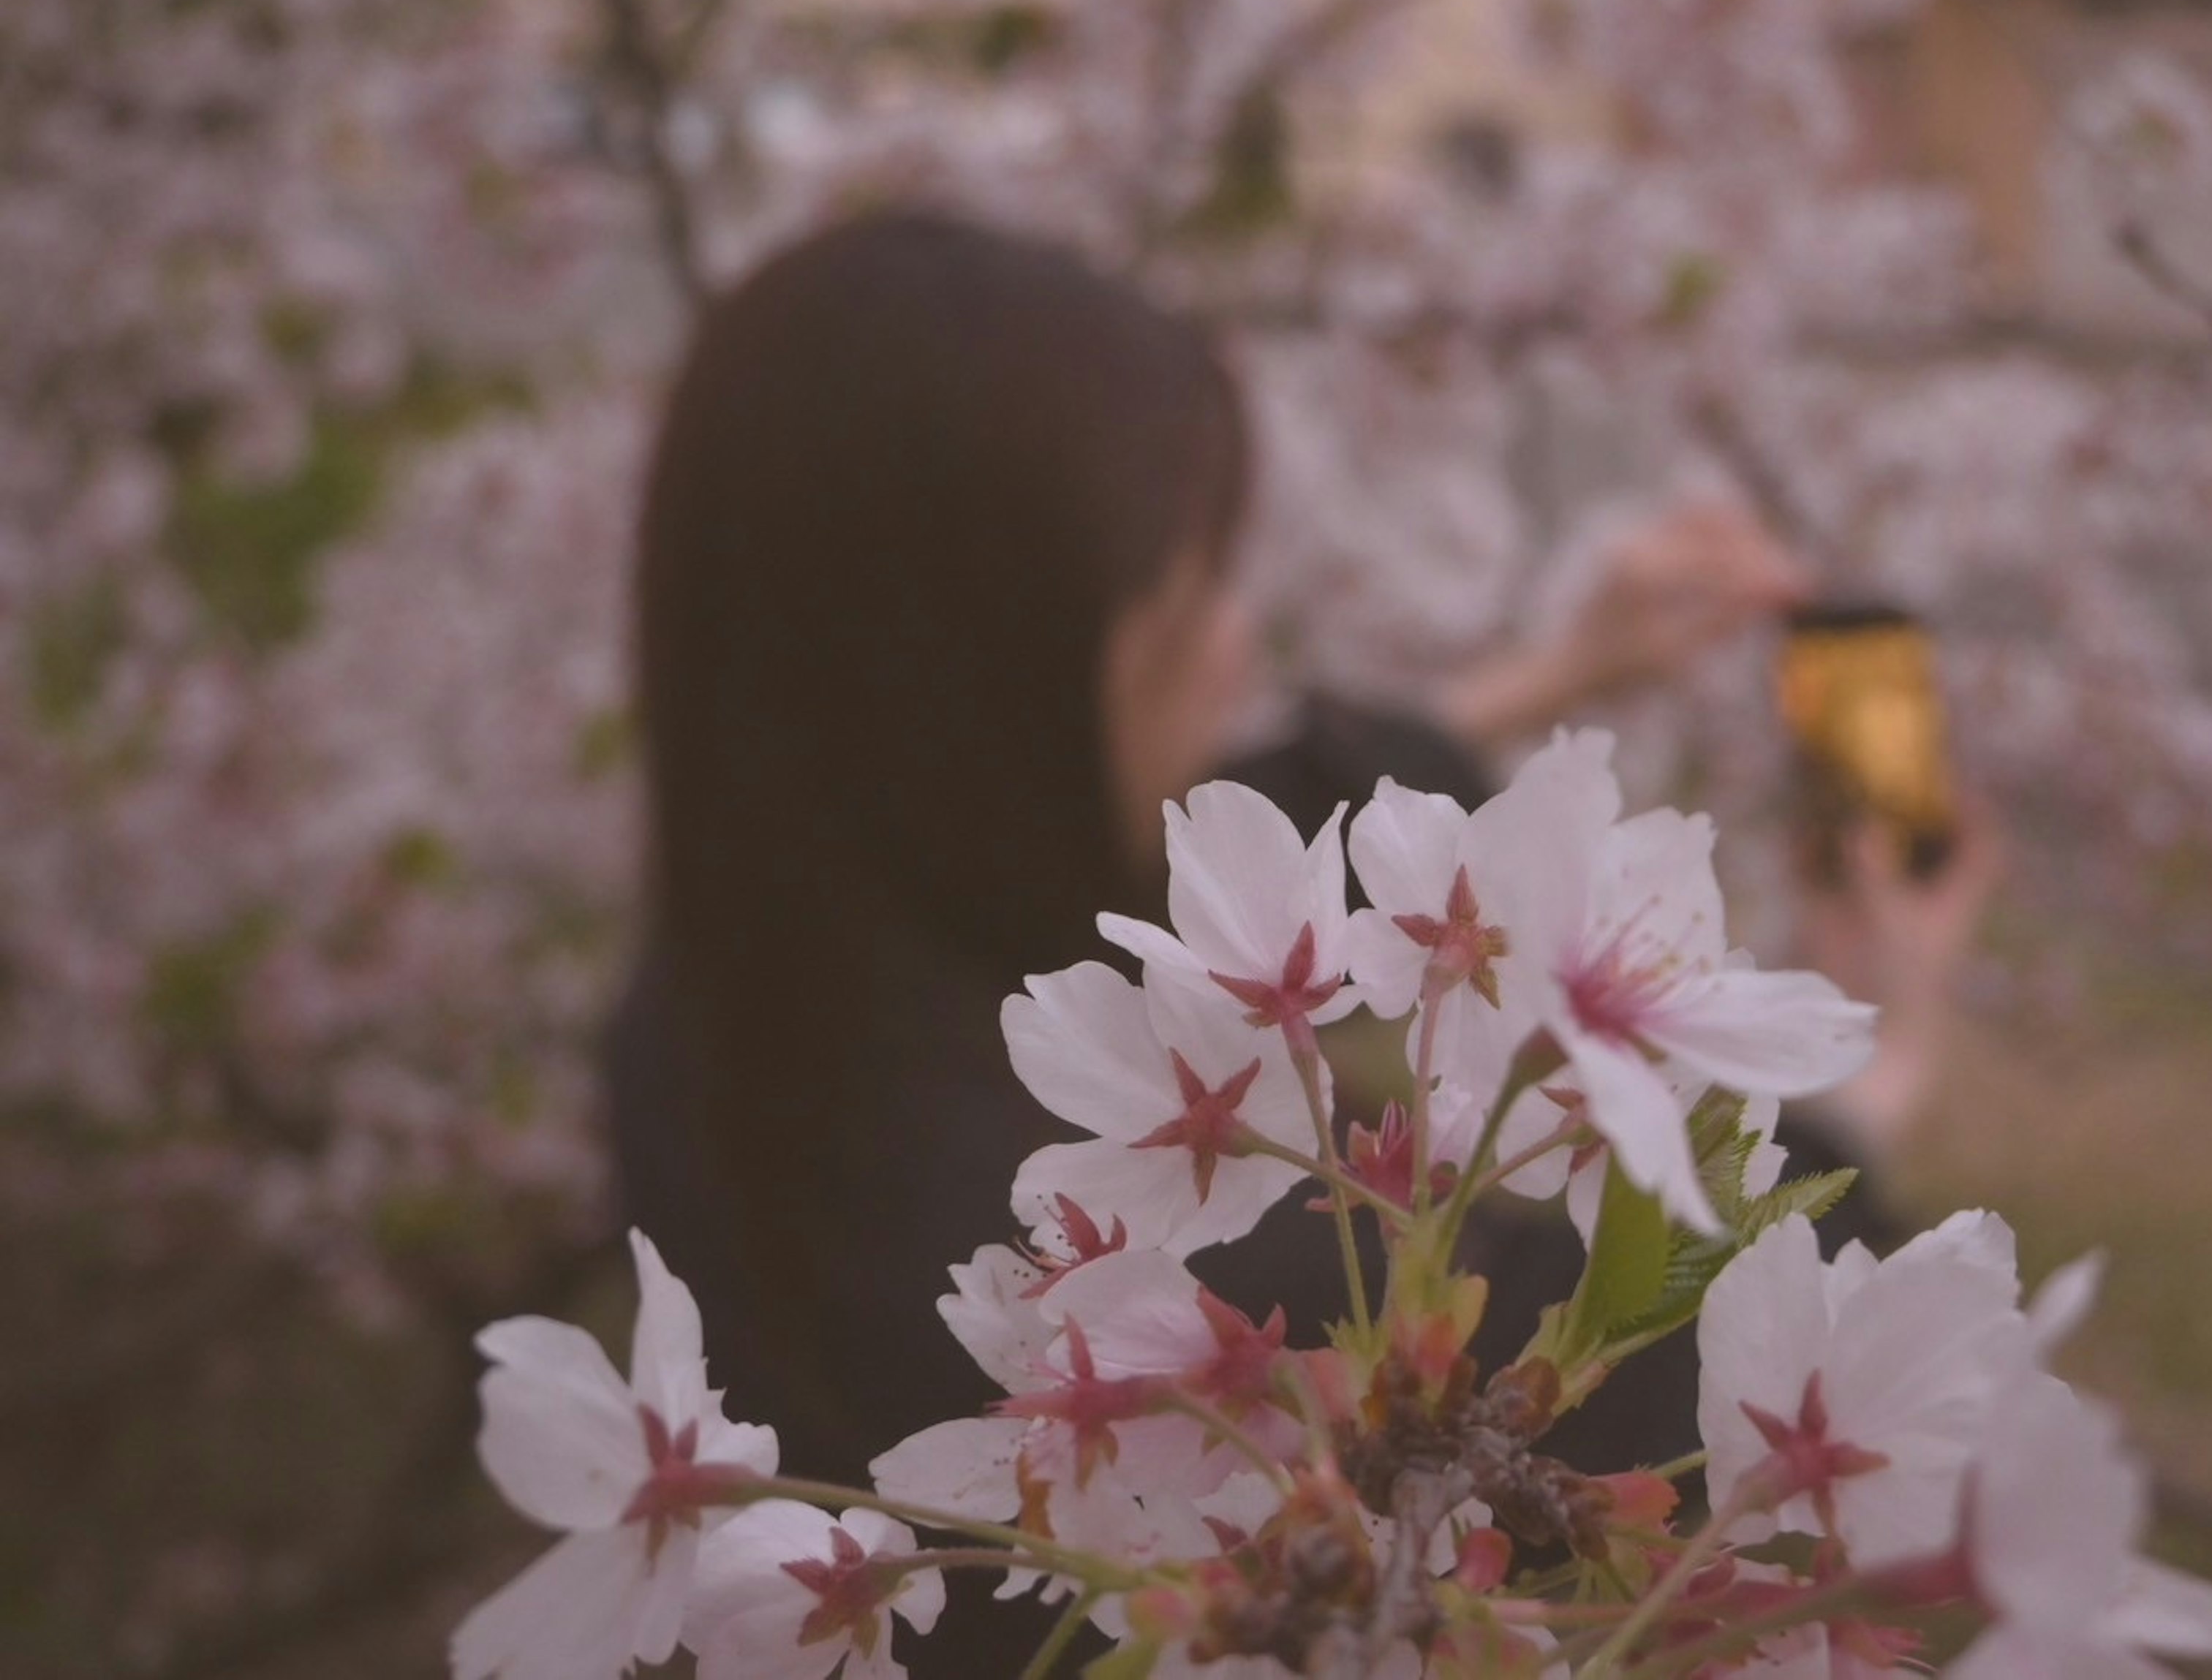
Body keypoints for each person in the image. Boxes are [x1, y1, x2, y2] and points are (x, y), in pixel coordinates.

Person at [605, 209, 1992, 1671]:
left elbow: (1188, 844)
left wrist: (1563, 668)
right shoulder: (1054, 1256)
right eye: (1181, 605)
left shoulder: (741, 985)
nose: (1241, 641)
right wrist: (1884, 1058)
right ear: (978, 714)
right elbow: (1624, 1384)